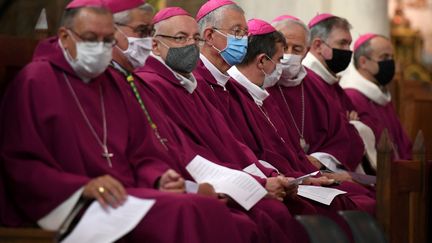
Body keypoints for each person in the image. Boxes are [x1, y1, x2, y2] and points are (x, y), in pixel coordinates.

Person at [0, 1, 252, 242]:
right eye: (90, 38)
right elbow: (19, 162)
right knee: (185, 212)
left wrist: (157, 178)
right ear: (65, 37)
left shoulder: (113, 82)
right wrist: (83, 187)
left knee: (206, 208)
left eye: (107, 39)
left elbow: (141, 151)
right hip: (71, 200)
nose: (100, 47)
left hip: (124, 195)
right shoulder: (36, 80)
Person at [134, 6, 305, 242]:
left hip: (226, 179)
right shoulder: (153, 84)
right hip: (195, 183)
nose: (191, 45)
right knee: (259, 218)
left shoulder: (190, 84)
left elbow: (230, 143)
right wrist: (259, 182)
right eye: (181, 38)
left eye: (195, 38)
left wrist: (269, 175)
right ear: (154, 45)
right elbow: (186, 151)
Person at [265, 15, 365, 174]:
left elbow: (347, 137)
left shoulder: (315, 86)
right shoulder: (260, 85)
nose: (288, 55)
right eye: (284, 48)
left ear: (307, 51)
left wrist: (320, 159)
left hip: (319, 174)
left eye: (297, 49)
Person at [302, 13, 377, 173]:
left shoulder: (332, 83)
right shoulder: (305, 80)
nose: (347, 51)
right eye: (342, 43)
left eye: (349, 44)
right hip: (318, 168)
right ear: (317, 46)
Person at [340, 33, 412, 160]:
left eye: (391, 57)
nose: (390, 62)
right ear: (363, 62)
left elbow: (401, 139)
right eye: (384, 57)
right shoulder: (351, 96)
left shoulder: (382, 96)